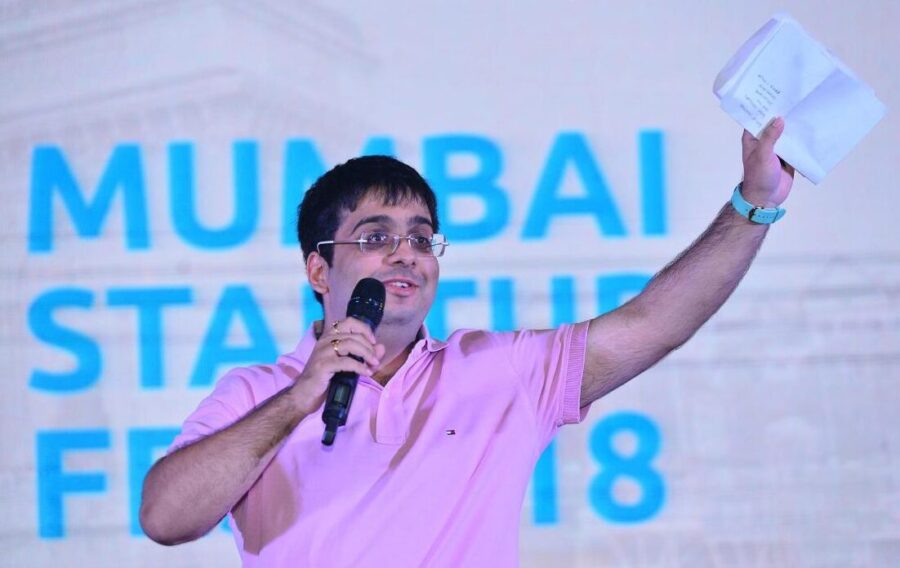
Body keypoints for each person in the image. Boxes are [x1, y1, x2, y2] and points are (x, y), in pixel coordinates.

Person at [140, 119, 794, 566]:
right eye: (376, 237)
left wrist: (754, 203)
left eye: (422, 238)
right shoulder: (256, 393)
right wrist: (298, 398)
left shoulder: (500, 371)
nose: (405, 253)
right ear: (319, 269)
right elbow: (166, 519)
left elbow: (655, 324)